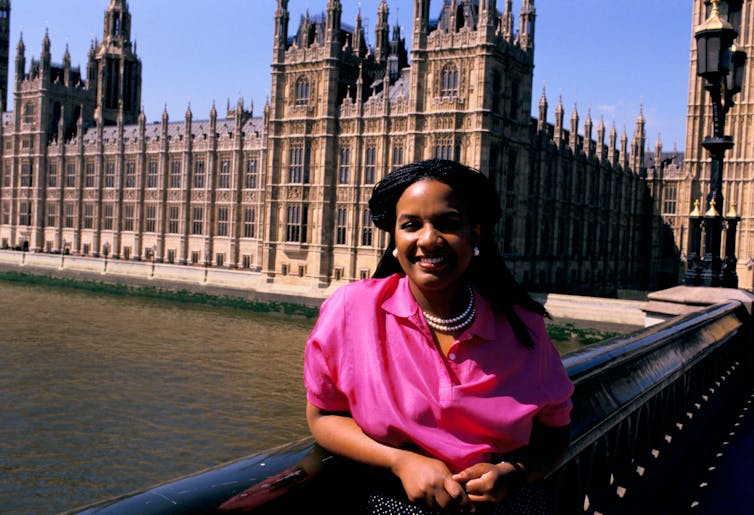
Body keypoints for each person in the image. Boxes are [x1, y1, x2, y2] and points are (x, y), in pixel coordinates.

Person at [304, 159, 574, 514]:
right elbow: (322, 417)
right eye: (412, 225)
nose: (429, 239)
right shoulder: (352, 309)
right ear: (394, 239)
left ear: (475, 234)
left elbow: (555, 435)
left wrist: (512, 472)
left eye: (448, 224)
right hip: (395, 504)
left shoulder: (524, 327)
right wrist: (400, 462)